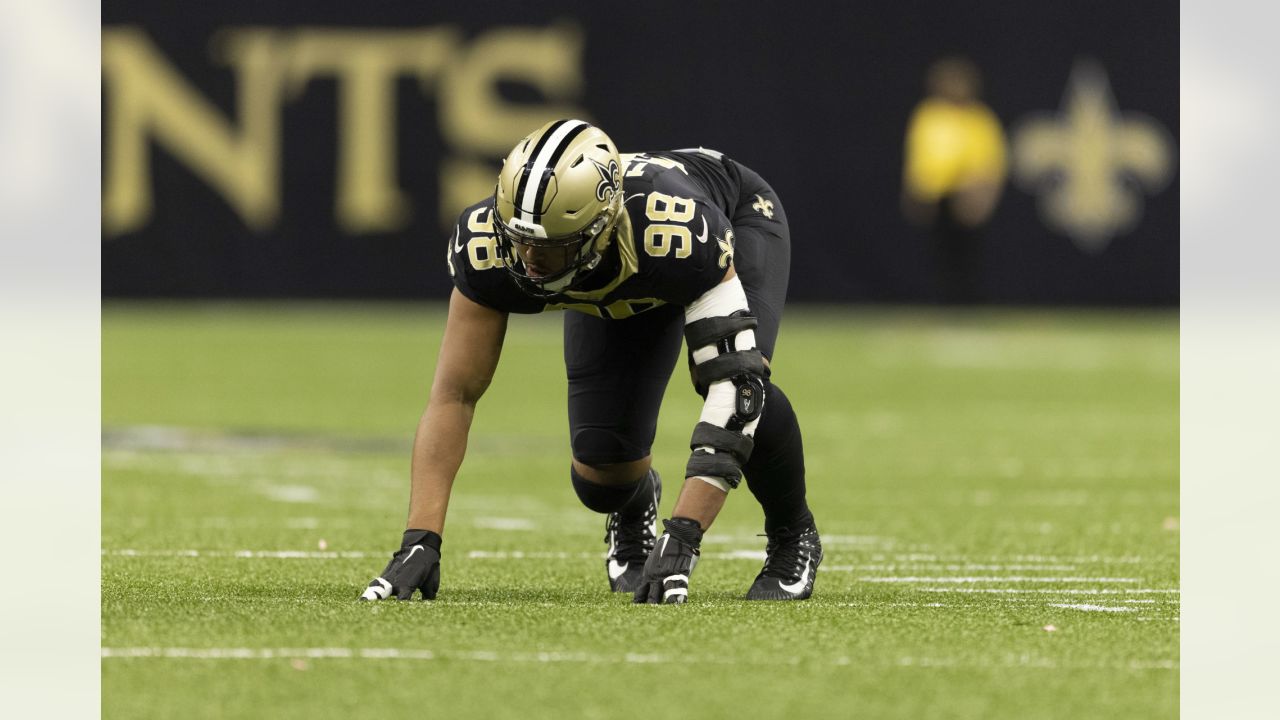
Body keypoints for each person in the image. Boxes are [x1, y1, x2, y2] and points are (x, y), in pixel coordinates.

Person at [360, 119, 820, 604]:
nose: (529, 260)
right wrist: (420, 540)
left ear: (599, 230)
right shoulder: (488, 245)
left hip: (731, 222)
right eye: (519, 239)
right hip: (622, 274)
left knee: (734, 382)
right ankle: (638, 498)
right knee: (601, 474)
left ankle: (794, 537)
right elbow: (455, 393)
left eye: (550, 247)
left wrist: (683, 535)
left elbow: (738, 386)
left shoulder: (678, 234)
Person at [901, 56, 1008, 304]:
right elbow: (918, 155)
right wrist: (914, 192)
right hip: (935, 196)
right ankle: (938, 304)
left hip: (966, 196)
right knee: (937, 256)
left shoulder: (978, 118)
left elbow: (991, 161)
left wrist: (983, 197)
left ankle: (967, 305)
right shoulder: (928, 115)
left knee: (966, 257)